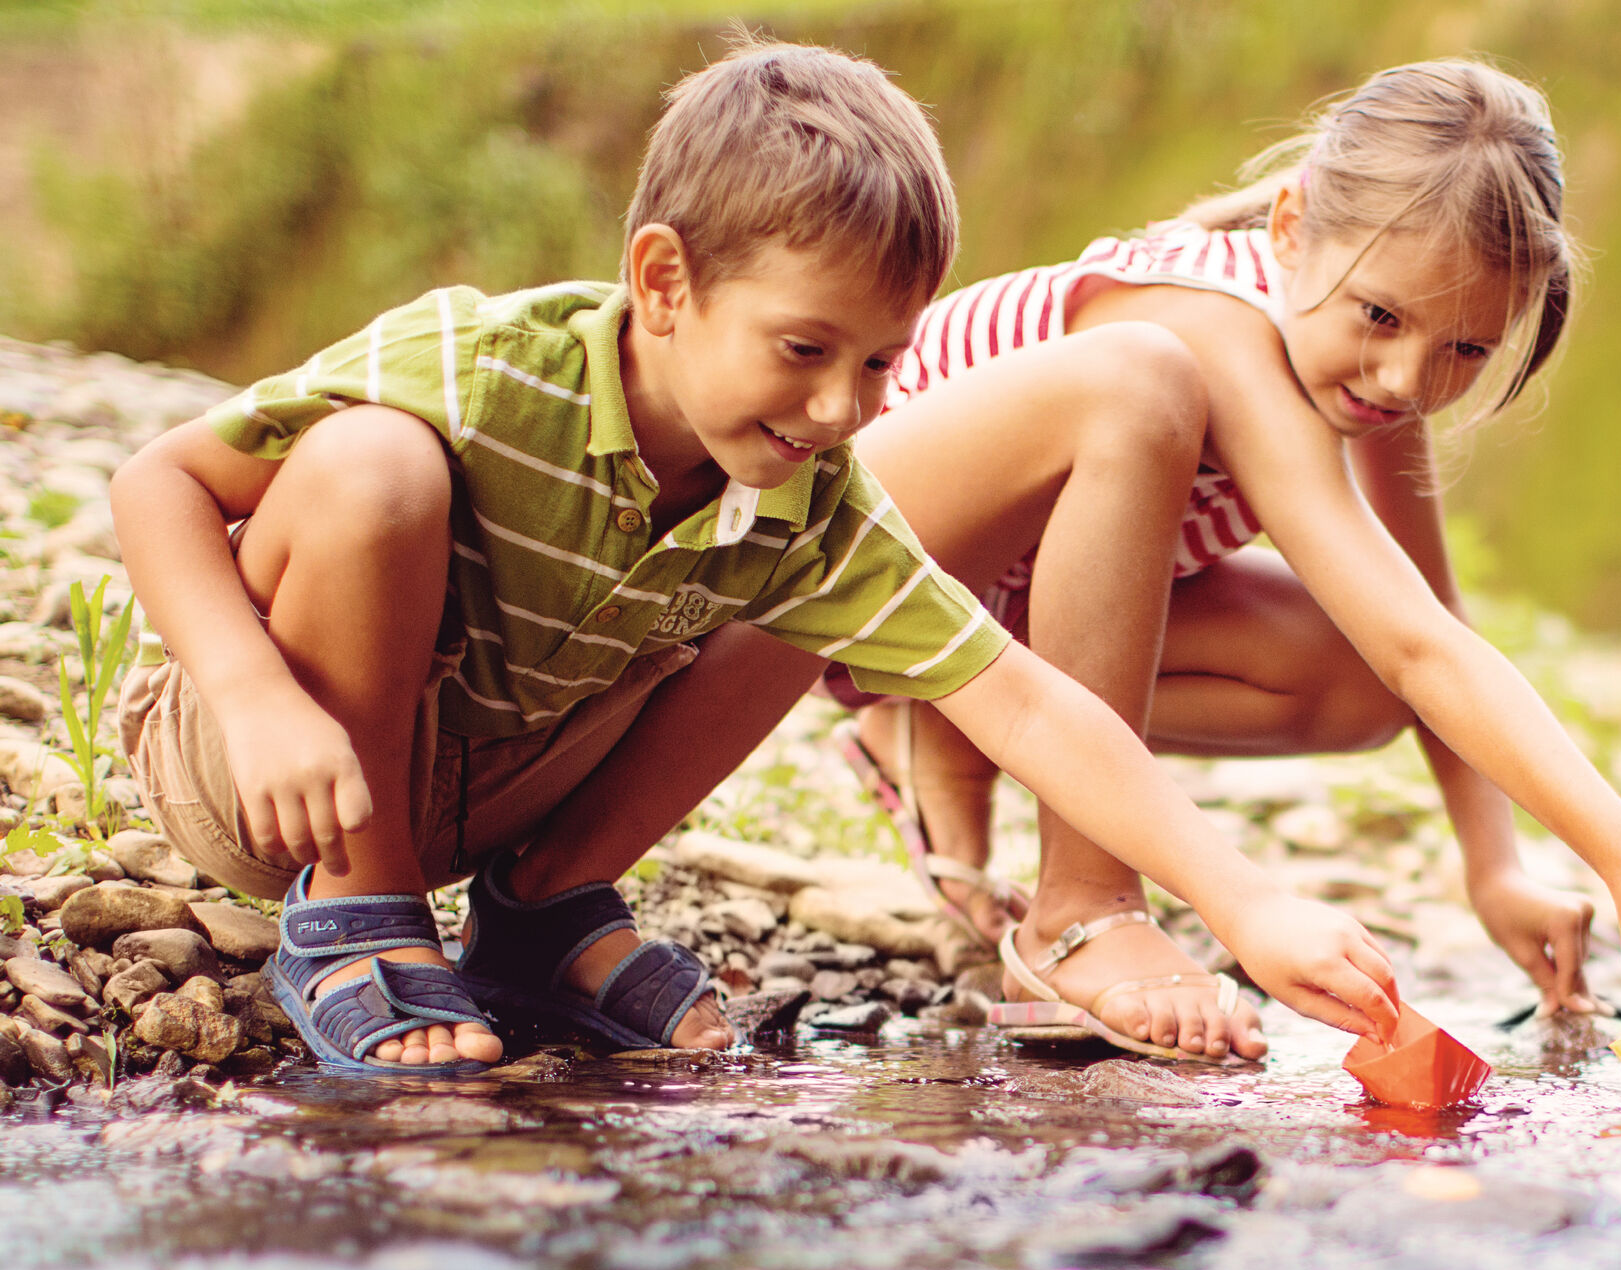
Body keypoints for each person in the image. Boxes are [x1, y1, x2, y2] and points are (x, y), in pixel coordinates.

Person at [109, 39, 1400, 1077]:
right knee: (372, 468)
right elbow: (158, 480)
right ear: (664, 284)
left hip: (484, 780)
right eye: (803, 350)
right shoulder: (486, 369)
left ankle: (545, 907)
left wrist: (1244, 905)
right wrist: (254, 696)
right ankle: (359, 916)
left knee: (807, 590)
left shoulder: (810, 491)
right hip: (270, 768)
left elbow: (1020, 699)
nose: (844, 406)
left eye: (882, 361)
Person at [813, 58, 1621, 1050]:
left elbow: (1425, 633)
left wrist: (1497, 867)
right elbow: (1421, 647)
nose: (1405, 375)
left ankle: (950, 729)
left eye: (1465, 350)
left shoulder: (1374, 369)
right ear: (1292, 227)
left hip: (980, 632)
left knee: (1362, 684)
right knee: (1142, 383)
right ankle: (1081, 906)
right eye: (1381, 316)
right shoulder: (1212, 321)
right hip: (845, 560)